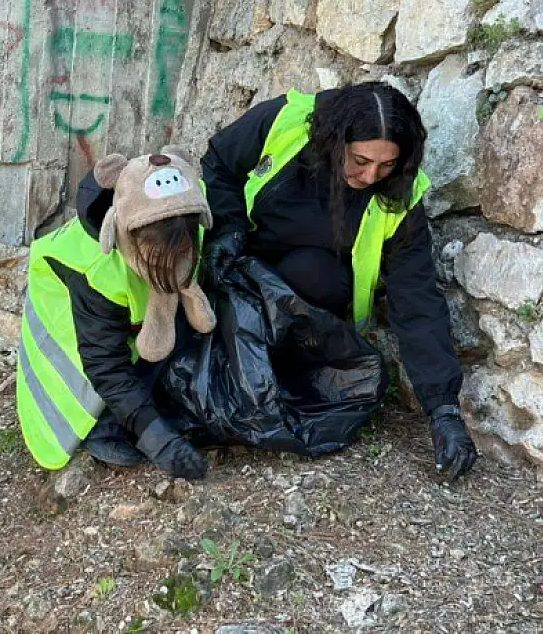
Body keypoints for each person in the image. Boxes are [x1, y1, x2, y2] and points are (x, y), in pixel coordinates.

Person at [200, 83, 478, 482]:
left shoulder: (400, 196)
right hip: (241, 259)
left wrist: (443, 408)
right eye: (360, 160)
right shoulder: (283, 122)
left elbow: (416, 299)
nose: (369, 176)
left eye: (386, 165)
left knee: (314, 275)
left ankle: (278, 379)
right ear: (335, 139)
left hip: (308, 297)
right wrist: (227, 229)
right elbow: (220, 165)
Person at [17, 149, 218, 480]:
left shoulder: (184, 206)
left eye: (182, 253)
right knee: (102, 383)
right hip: (69, 327)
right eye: (159, 259)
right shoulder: (95, 267)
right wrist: (158, 439)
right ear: (123, 235)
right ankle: (100, 427)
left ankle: (139, 404)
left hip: (123, 315)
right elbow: (104, 362)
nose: (175, 262)